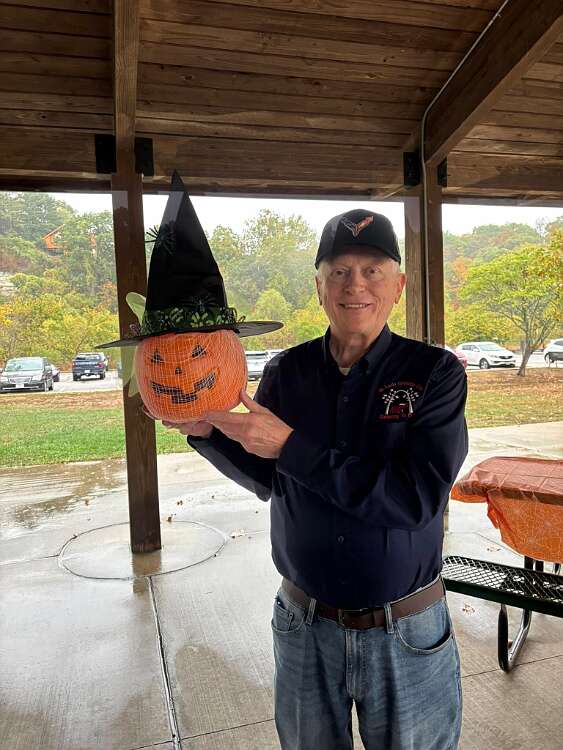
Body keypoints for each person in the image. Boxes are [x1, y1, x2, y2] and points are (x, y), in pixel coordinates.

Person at [162, 209, 468, 750]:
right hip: (304, 623)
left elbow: (415, 500)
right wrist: (207, 432)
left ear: (398, 285)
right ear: (319, 286)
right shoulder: (288, 371)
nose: (355, 285)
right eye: (339, 271)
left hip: (405, 629)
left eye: (372, 271)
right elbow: (270, 478)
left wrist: (291, 447)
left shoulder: (433, 373)